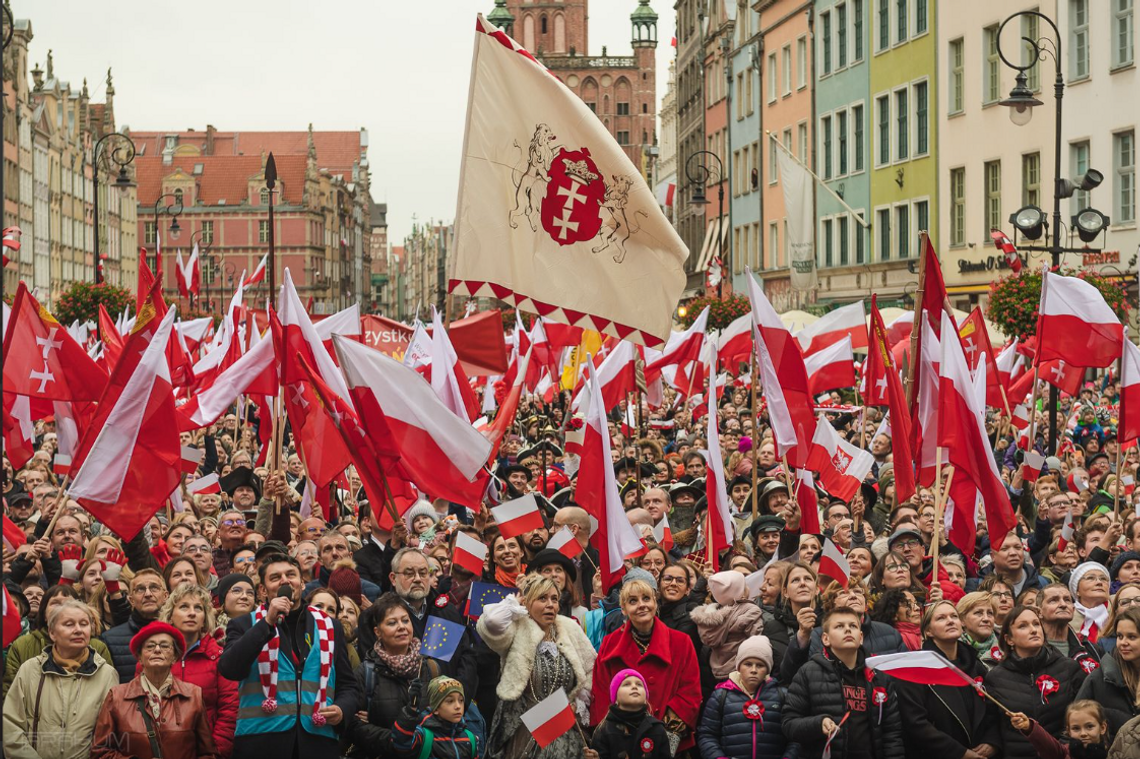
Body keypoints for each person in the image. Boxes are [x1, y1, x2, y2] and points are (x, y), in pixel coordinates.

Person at [218, 553, 358, 759]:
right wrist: (266, 623)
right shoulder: (244, 624)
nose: (285, 580)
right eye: (275, 577)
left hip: (317, 742)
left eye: (291, 575)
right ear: (263, 591)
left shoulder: (330, 626)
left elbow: (348, 685)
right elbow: (230, 668)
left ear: (302, 584)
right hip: (261, 743)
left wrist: (342, 709)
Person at [476, 573, 596, 758]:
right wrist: (513, 603)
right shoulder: (516, 629)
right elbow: (491, 622)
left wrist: (578, 702)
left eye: (554, 599)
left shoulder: (569, 629)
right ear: (527, 602)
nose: (550, 605)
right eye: (542, 598)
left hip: (562, 729)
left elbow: (591, 668)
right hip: (523, 728)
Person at [590, 578, 701, 752]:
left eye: (646, 598)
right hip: (621, 743)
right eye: (633, 601)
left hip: (668, 740)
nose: (641, 605)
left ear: (655, 603)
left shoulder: (681, 642)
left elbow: (690, 692)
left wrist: (665, 738)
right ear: (624, 609)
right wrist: (612, 736)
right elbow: (601, 691)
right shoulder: (610, 644)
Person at [782, 606, 905, 759]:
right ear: (825, 639)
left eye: (852, 626)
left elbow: (891, 732)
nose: (847, 630)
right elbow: (789, 723)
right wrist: (818, 724)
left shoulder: (879, 677)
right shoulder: (808, 672)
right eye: (839, 626)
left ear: (860, 637)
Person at [3, 598, 119, 759]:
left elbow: (110, 735)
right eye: (69, 624)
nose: (78, 630)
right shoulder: (30, 670)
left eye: (84, 624)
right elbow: (11, 725)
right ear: (52, 633)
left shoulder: (106, 674)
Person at [91, 621, 217, 759]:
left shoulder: (193, 696)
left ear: (175, 656)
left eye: (164, 646)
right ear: (139, 657)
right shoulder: (116, 697)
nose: (157, 650)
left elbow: (207, 753)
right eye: (150, 646)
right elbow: (100, 752)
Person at [348, 592, 447, 758]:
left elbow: (444, 715)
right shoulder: (366, 672)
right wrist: (396, 740)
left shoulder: (430, 667)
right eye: (392, 623)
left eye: (405, 620)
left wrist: (422, 740)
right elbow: (351, 725)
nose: (401, 627)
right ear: (377, 632)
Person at [896, 600, 999, 758]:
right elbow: (916, 723)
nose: (950, 621)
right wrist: (960, 753)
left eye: (954, 616)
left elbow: (993, 710)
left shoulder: (975, 665)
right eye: (941, 618)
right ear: (928, 631)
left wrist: (992, 742)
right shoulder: (916, 670)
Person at [984, 605, 1087, 759]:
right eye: (1023, 626)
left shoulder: (1068, 668)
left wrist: (1062, 749)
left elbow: (1083, 715)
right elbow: (992, 725)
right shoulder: (996, 677)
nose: (1033, 630)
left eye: (1036, 624)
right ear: (1009, 639)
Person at [155, 584, 239, 757]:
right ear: (170, 616)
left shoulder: (219, 657)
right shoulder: (153, 655)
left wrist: (214, 752)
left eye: (198, 608)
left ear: (204, 618)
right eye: (184, 606)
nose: (192, 613)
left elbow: (230, 710)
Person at [3, 584, 115, 700]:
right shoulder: (22, 645)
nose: (62, 608)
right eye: (55, 603)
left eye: (68, 603)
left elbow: (109, 698)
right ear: (44, 613)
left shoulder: (98, 647)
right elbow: (11, 694)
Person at [696, 635, 796, 759]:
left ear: (768, 669)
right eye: (748, 664)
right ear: (738, 666)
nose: (753, 670)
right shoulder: (721, 696)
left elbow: (795, 736)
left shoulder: (782, 696)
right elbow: (707, 735)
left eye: (760, 665)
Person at [1076, 606, 1140, 734]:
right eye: (1120, 636)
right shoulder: (1099, 678)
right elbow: (1076, 723)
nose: (1123, 642)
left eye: (1132, 637)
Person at [691, 570, 765, 680]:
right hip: (742, 669)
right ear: (742, 593)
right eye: (745, 585)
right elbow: (756, 641)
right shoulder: (749, 610)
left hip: (717, 670)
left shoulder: (710, 615)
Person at [390, 676, 486, 759]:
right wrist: (411, 710)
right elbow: (401, 743)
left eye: (461, 700)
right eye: (450, 701)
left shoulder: (470, 738)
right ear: (435, 708)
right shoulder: (424, 736)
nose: (458, 706)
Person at [101, 569, 169, 683]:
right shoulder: (109, 639)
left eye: (154, 588)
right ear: (131, 600)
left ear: (165, 596)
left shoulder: (179, 634)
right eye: (140, 589)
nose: (148, 594)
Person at [586, 670, 671, 759]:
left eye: (639, 684)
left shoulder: (657, 729)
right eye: (626, 684)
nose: (634, 687)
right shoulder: (604, 730)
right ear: (616, 699)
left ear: (645, 698)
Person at [1008, 700, 1113, 759]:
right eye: (1076, 728)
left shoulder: (1114, 753)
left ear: (1102, 728)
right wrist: (1028, 726)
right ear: (1069, 731)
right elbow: (1047, 744)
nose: (1083, 733)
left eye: (1089, 726)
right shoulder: (1064, 753)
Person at [958, 591, 1003, 668]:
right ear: (962, 620)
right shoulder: (953, 651)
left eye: (990, 613)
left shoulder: (1006, 650)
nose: (986, 619)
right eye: (978, 613)